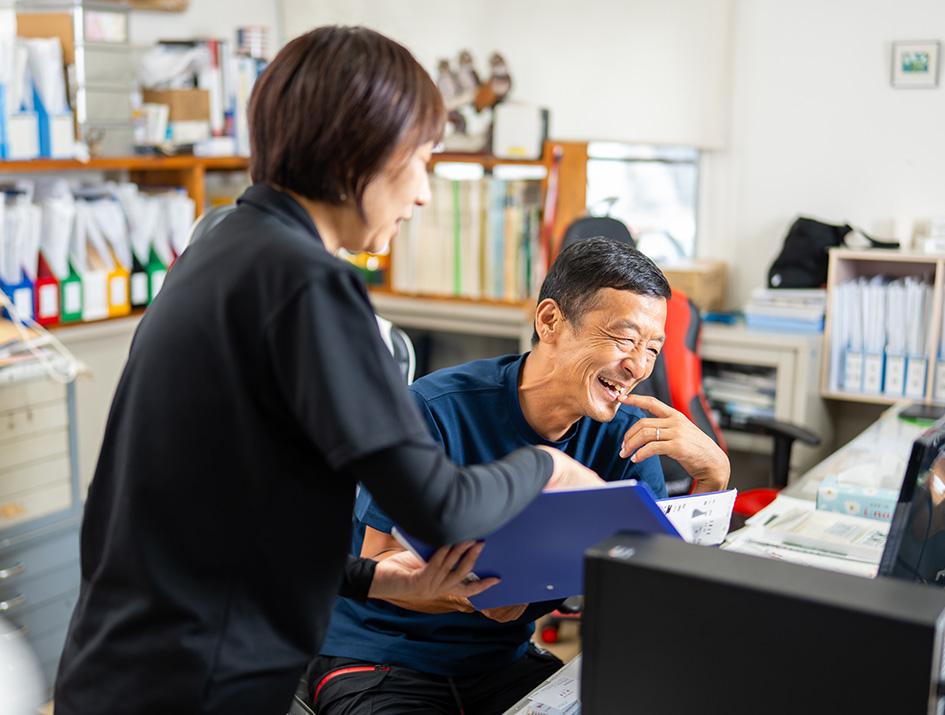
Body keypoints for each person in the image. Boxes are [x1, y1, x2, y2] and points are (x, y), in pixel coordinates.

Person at [53, 26, 602, 715]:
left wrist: (378, 581)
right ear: (359, 150)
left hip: (120, 665)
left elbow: (231, 518)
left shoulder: (220, 250)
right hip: (197, 680)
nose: (424, 194)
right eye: (421, 161)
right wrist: (546, 469)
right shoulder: (307, 284)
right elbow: (440, 505)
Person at [310, 237, 731, 715]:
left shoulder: (628, 435)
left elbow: (652, 588)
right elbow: (379, 557)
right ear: (550, 321)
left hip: (500, 663)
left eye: (653, 348)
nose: (639, 366)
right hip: (380, 658)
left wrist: (713, 478)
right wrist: (466, 597)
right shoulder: (433, 408)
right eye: (624, 339)